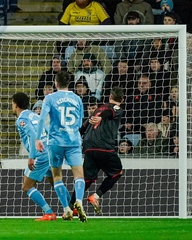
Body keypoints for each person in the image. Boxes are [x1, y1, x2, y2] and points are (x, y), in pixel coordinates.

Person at [35, 70, 87, 222]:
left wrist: (38, 139)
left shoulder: (50, 98)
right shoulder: (77, 99)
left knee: (57, 176)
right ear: (69, 83)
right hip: (73, 142)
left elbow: (42, 118)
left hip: (55, 142)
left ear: (56, 83)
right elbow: (79, 122)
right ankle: (79, 201)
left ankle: (66, 209)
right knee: (79, 175)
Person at [80, 88, 126, 215]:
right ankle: (95, 196)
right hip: (104, 146)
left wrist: (75, 138)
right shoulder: (117, 108)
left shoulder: (98, 109)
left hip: (89, 147)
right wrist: (101, 118)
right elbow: (111, 110)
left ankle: (72, 205)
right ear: (122, 100)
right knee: (117, 172)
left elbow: (84, 126)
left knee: (87, 179)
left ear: (110, 96)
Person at [12, 91, 56, 221]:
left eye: (12, 103)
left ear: (16, 105)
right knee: (55, 182)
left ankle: (49, 213)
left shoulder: (21, 119)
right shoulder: (34, 115)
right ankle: (71, 207)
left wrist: (31, 157)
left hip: (40, 155)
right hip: (49, 151)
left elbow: (32, 135)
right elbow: (47, 130)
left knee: (27, 186)